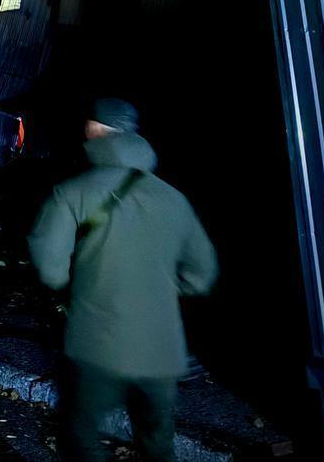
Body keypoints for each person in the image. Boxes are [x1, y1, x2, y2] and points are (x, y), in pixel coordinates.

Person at [27, 98, 218, 462]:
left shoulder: (72, 193)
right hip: (161, 348)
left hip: (97, 345)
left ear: (96, 130)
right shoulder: (174, 199)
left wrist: (72, 283)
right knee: (157, 443)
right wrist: (167, 289)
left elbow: (51, 270)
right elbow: (202, 272)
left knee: (81, 436)